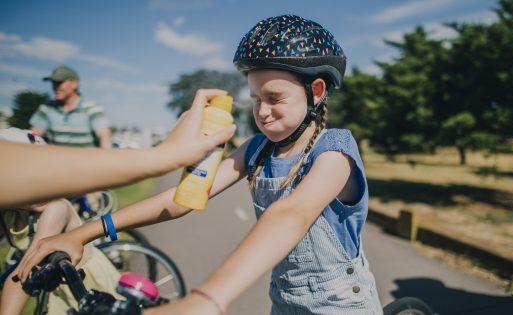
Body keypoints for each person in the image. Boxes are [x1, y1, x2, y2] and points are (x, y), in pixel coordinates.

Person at [17, 15, 383, 315]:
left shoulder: (335, 151)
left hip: (341, 306)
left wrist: (205, 300)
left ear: (315, 92)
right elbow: (181, 199)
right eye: (255, 99)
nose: (262, 111)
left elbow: (291, 214)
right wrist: (83, 232)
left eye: (274, 98)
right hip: (285, 303)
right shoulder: (257, 150)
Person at [0, 89, 236, 208]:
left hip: (79, 168)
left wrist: (164, 156)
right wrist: (165, 156)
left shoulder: (90, 108)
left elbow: (104, 134)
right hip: (68, 168)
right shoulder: (46, 108)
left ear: (73, 84)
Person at [0, 129, 121, 315]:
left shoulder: (55, 209)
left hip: (84, 284)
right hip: (54, 287)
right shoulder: (9, 213)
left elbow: (25, 269)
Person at [29, 65, 112, 148]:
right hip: (55, 159)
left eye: (59, 83)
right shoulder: (47, 107)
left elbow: (104, 136)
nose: (55, 87)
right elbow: (34, 133)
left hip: (86, 159)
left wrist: (107, 157)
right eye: (54, 83)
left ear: (75, 83)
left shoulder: (92, 107)